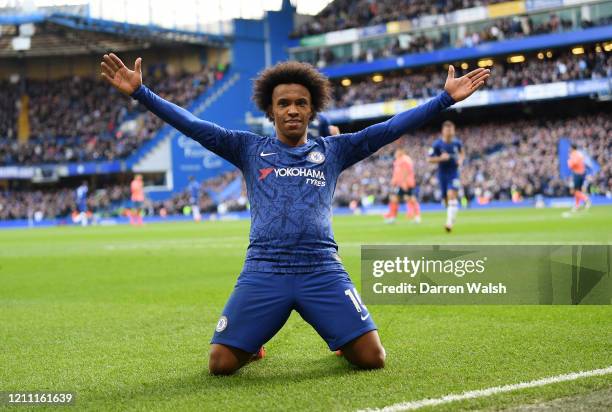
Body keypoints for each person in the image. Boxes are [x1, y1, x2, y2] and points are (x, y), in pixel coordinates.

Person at [101, 53, 489, 375]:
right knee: (220, 364)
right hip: (264, 270)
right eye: (283, 103)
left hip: (321, 269)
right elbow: (194, 126)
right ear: (270, 110)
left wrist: (443, 100)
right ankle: (252, 345)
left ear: (312, 109)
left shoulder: (333, 150)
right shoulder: (247, 148)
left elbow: (387, 130)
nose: (292, 110)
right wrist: (142, 93)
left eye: (301, 103)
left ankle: (341, 336)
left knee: (372, 359)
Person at [428, 121, 464, 232]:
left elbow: (462, 153)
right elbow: (429, 159)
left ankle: (449, 224)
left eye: (451, 129)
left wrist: (461, 161)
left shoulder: (457, 143)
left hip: (454, 173)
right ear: (443, 131)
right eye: (447, 130)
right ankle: (451, 217)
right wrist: (441, 159)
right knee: (446, 199)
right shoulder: (437, 144)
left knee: (451, 194)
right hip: (442, 174)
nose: (450, 132)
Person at [384, 148, 420, 223]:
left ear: (401, 151)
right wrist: (394, 181)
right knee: (396, 199)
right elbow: (397, 173)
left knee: (410, 198)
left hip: (406, 183)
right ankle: (393, 217)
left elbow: (406, 172)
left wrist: (404, 182)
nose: (396, 153)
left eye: (397, 151)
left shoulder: (405, 160)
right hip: (400, 183)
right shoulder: (398, 160)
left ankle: (417, 216)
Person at [567, 143, 591, 212]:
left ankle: (586, 199)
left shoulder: (573, 154)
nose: (569, 149)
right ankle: (577, 205)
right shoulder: (580, 153)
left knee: (575, 190)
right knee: (578, 190)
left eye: (570, 148)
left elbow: (572, 164)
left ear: (572, 148)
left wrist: (569, 162)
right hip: (582, 173)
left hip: (577, 173)